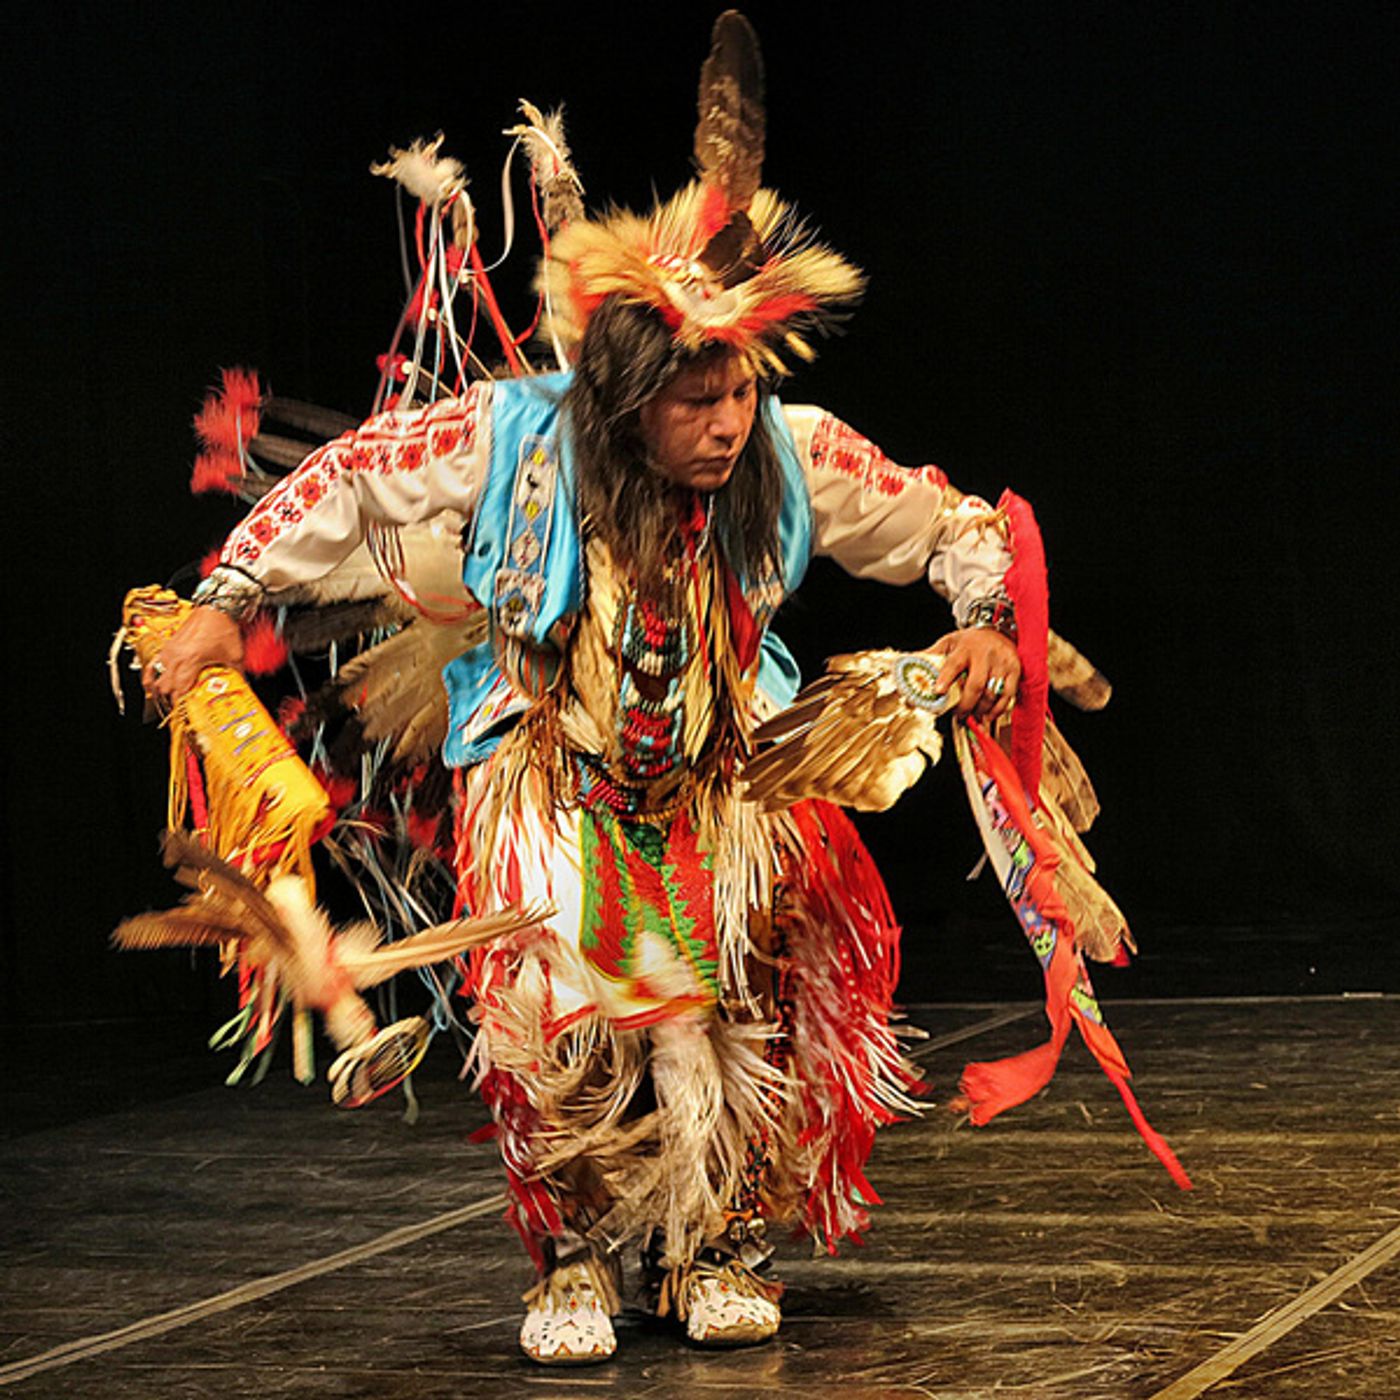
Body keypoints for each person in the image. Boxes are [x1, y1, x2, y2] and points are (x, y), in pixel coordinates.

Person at [144, 12, 1042, 1366]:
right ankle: (572, 1257)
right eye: (694, 401)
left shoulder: (790, 451)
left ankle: (718, 1244)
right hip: (546, 770)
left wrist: (982, 620)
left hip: (721, 777)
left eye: (734, 392)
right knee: (542, 1018)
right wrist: (222, 604)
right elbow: (351, 481)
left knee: (728, 1006)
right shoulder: (514, 437)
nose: (724, 422)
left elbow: (946, 524)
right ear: (625, 401)